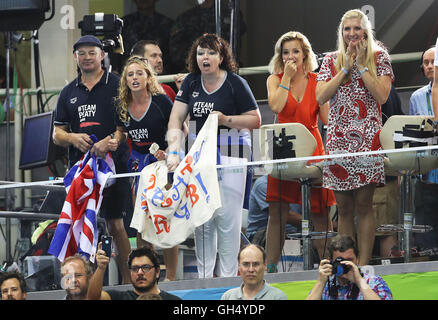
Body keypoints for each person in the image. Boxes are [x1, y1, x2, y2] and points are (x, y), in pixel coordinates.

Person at [167, 33, 261, 278]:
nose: (204, 58)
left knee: (227, 219)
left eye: (210, 53)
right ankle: (204, 280)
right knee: (202, 218)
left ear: (221, 57)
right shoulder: (190, 82)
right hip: (199, 151)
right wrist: (174, 151)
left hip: (232, 149)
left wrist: (225, 119)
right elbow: (176, 118)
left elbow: (255, 119)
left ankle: (229, 280)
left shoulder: (235, 83)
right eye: (200, 53)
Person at [315, 9, 394, 266]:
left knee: (364, 205)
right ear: (342, 32)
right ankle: (345, 263)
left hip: (368, 138)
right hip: (338, 138)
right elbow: (320, 97)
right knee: (344, 208)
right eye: (347, 29)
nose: (352, 34)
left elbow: (382, 96)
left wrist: (360, 66)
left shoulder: (379, 57)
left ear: (366, 30)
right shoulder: (330, 60)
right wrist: (345, 69)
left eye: (357, 28)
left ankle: (364, 266)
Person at [53, 35, 132, 283]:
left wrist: (110, 142)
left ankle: (131, 284)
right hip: (82, 172)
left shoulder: (117, 84)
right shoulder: (67, 93)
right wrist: (74, 138)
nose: (87, 57)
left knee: (116, 226)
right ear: (75, 57)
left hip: (114, 168)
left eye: (92, 52)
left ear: (102, 56)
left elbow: (125, 127)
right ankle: (82, 288)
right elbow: (57, 134)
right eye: (82, 53)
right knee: (79, 226)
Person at [265, 31, 336, 271]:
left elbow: (326, 119)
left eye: (295, 51)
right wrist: (286, 77)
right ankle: (272, 268)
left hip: (312, 146)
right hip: (283, 145)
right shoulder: (274, 79)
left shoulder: (318, 80)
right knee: (277, 211)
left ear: (305, 54)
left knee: (320, 212)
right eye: (285, 52)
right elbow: (276, 106)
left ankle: (328, 266)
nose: (290, 56)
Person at [116, 55, 179, 281]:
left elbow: (178, 127)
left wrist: (170, 151)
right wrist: (116, 139)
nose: (135, 78)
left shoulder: (161, 101)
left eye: (139, 73)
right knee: (143, 223)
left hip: (163, 165)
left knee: (164, 219)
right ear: (125, 80)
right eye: (130, 74)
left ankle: (171, 278)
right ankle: (148, 275)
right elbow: (122, 131)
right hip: (138, 165)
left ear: (148, 77)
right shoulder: (123, 105)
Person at [410, 45, 438, 250]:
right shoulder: (416, 97)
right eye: (426, 63)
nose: (430, 66)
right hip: (427, 175)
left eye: (433, 62)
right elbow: (412, 137)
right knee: (426, 236)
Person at [306, 235, 393, 300]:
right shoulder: (325, 286)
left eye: (349, 260)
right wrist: (320, 282)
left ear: (357, 259)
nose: (345, 264)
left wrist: (359, 281)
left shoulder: (374, 282)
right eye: (340, 261)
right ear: (331, 262)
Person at [169, 0, 246, 73]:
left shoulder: (231, 13)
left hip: (226, 70)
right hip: (196, 74)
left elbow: (236, 42)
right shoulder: (185, 18)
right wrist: (198, 60)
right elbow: (176, 51)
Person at [373, 84, 403, 258]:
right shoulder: (390, 88)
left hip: (381, 172)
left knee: (387, 230)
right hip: (386, 169)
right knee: (386, 230)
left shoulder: (385, 90)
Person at [87, 245, 182, 300]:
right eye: (135, 268)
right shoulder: (118, 297)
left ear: (157, 272)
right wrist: (101, 267)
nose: (140, 272)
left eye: (146, 267)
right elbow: (92, 298)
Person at [117, 0, 174, 74]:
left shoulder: (167, 24)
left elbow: (173, 58)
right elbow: (114, 54)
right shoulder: (123, 24)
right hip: (129, 77)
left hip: (161, 77)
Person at [246, 175, 302, 248]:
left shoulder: (298, 185)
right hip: (261, 233)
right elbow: (283, 215)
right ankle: (271, 259)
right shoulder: (263, 184)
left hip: (292, 233)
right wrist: (311, 223)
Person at [221, 244, 288, 300]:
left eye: (256, 264)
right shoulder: (228, 297)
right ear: (239, 267)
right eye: (246, 264)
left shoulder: (278, 297)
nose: (251, 269)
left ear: (265, 265)